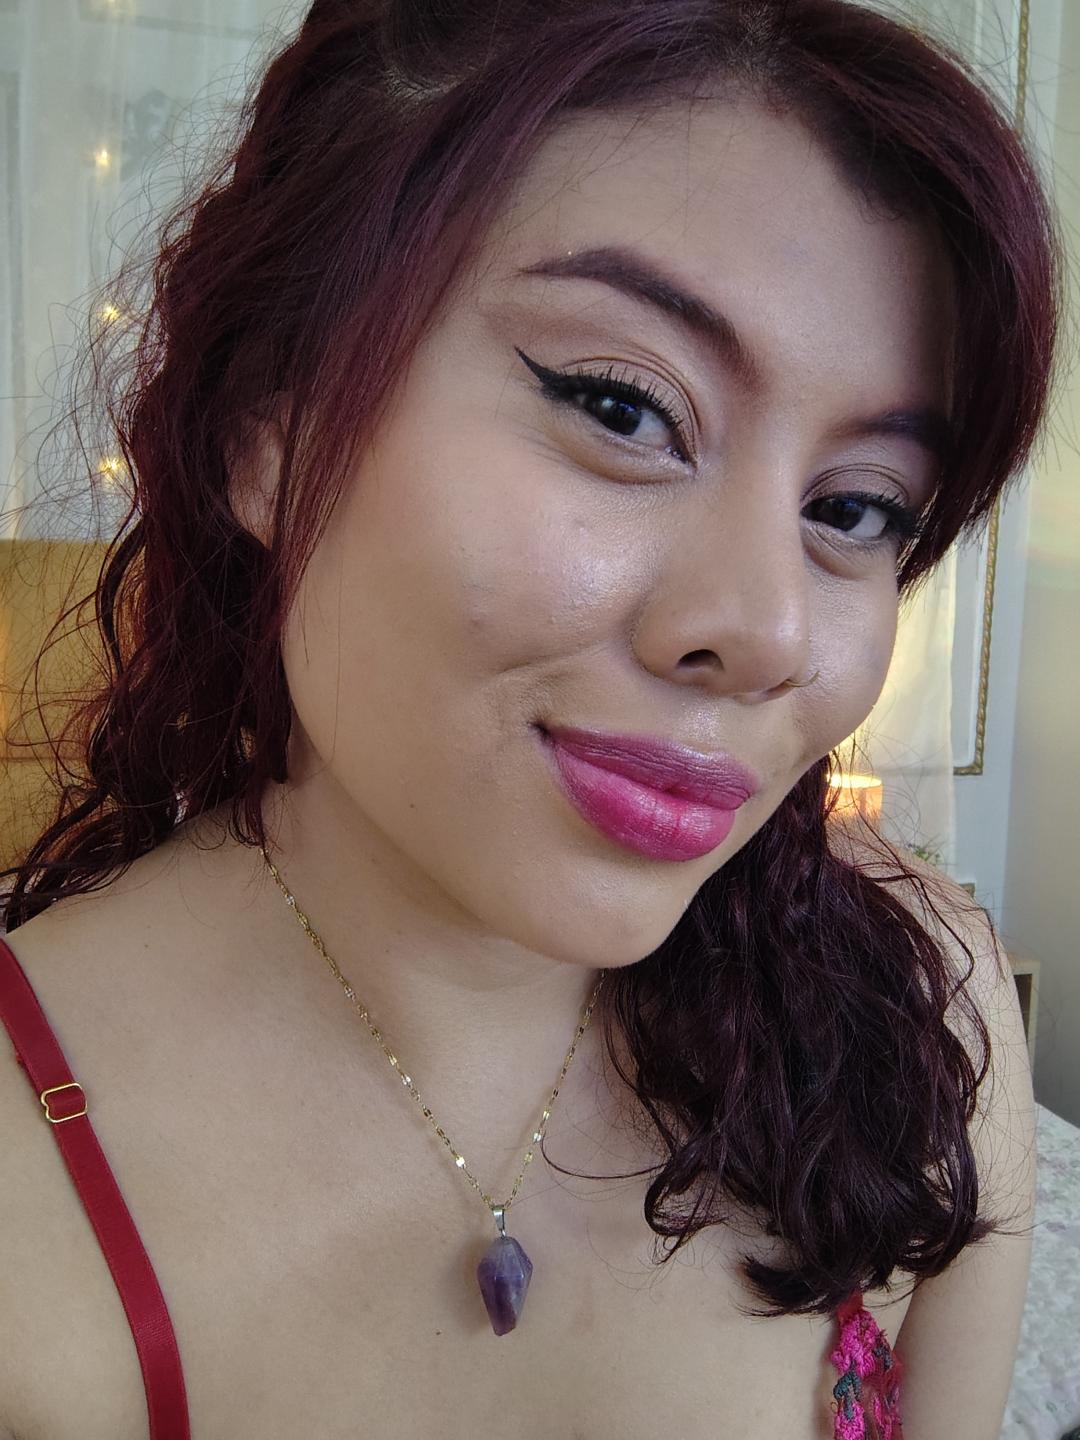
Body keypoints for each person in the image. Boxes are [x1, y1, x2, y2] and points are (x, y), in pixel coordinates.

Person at [0, 0, 1060, 1436]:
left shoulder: (924, 1009)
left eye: (859, 508)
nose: (764, 631)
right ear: (267, 431)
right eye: (622, 408)